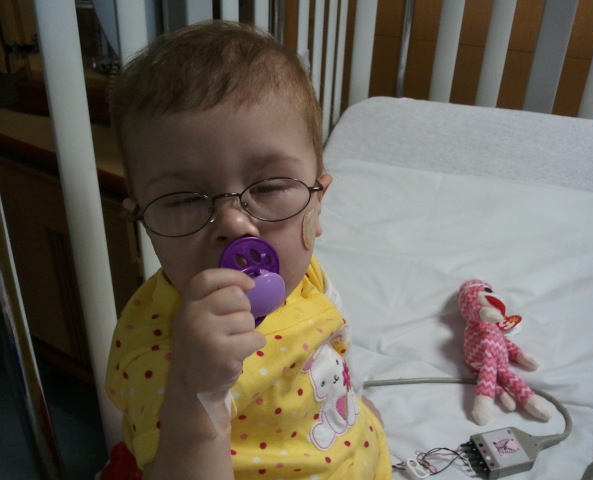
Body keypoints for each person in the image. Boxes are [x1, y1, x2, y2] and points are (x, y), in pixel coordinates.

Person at [101, 20, 392, 479]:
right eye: (183, 199)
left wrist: (352, 406)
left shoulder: (302, 269)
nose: (236, 225)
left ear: (317, 204)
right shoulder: (164, 365)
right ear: (141, 221)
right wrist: (197, 394)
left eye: (271, 187)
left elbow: (331, 338)